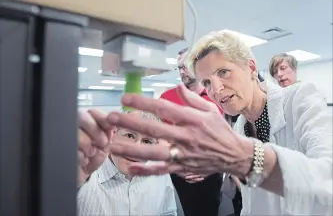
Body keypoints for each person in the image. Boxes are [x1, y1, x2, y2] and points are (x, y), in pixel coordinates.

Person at [104, 30, 333, 215]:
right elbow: (252, 206)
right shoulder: (240, 127)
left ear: (251, 68)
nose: (217, 89)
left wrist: (248, 159)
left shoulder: (300, 99)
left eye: (224, 72)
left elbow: (328, 182)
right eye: (207, 82)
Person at [77, 109, 177, 216]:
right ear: (113, 134)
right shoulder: (84, 173)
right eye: (129, 136)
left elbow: (168, 213)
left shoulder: (160, 172)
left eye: (147, 141)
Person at [160, 48, 223, 216]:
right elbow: (161, 140)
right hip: (180, 176)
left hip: (210, 175)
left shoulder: (216, 96)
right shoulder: (167, 98)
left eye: (185, 66)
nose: (182, 71)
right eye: (179, 68)